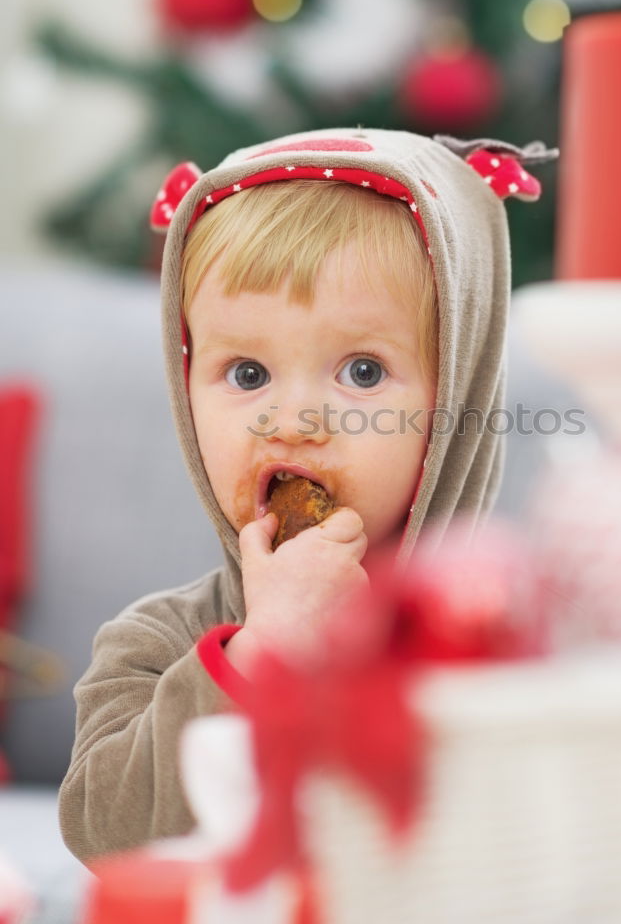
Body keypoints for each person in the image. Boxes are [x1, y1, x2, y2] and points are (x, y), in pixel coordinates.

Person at [58, 127, 551, 863]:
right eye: (248, 375)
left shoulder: (515, 639)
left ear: (456, 398)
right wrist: (261, 656)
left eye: (360, 372)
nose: (292, 424)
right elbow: (107, 838)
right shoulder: (154, 644)